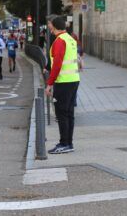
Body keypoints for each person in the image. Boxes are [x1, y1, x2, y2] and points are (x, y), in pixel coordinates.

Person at [45, 16, 80, 154]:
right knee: (69, 113)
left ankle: (64, 143)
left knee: (61, 113)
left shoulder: (59, 41)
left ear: (54, 25)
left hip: (63, 81)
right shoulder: (70, 39)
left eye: (49, 24)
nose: (48, 26)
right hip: (73, 80)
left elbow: (58, 64)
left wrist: (49, 84)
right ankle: (69, 143)